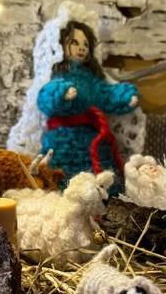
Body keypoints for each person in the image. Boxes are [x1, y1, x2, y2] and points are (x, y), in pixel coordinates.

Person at [37, 20, 139, 187]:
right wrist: (61, 92)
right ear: (60, 44)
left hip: (91, 137)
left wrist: (124, 97)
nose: (82, 47)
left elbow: (105, 93)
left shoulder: (91, 78)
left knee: (99, 176)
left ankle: (102, 195)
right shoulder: (56, 72)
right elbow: (44, 97)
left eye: (86, 44)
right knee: (63, 177)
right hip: (63, 139)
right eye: (75, 42)